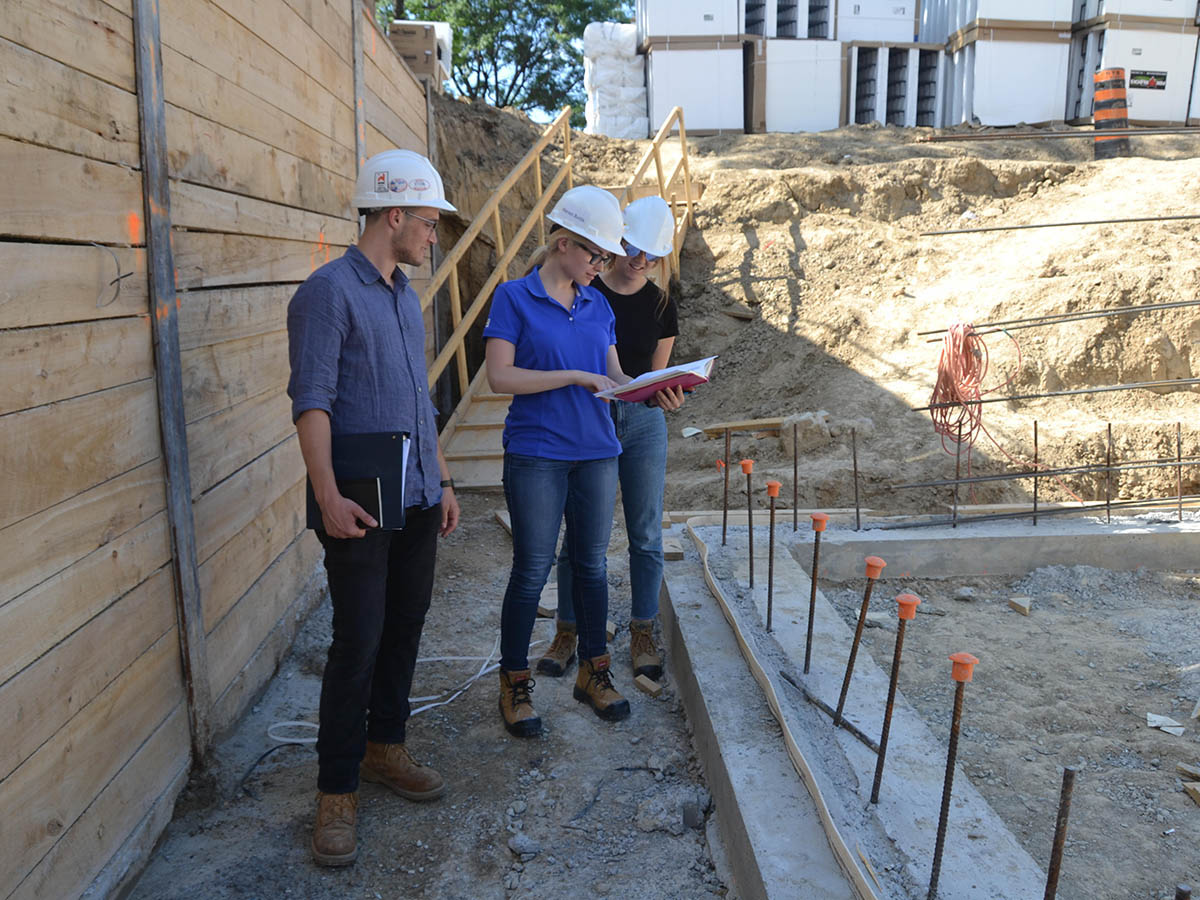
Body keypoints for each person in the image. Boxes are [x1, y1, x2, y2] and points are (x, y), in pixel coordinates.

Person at [287, 149, 461, 867]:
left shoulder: (399, 294)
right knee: (357, 640)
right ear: (394, 215)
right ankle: (335, 790)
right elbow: (313, 400)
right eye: (427, 222)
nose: (432, 235)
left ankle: (386, 747)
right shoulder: (327, 293)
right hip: (357, 504)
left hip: (415, 494)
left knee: (404, 628)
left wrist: (444, 481)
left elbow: (417, 401)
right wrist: (326, 493)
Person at [483, 184, 634, 738]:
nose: (602, 266)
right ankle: (514, 683)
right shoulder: (513, 298)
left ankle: (594, 673)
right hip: (537, 453)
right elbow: (502, 377)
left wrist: (654, 387)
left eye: (606, 258)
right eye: (596, 255)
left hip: (597, 451)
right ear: (564, 244)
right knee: (531, 570)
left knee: (592, 567)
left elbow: (613, 375)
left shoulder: (598, 303)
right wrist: (573, 376)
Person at [537, 196, 684, 684]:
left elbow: (656, 377)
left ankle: (641, 630)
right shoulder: (583, 288)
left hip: (642, 423)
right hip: (589, 418)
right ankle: (568, 630)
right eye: (634, 249)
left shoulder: (662, 304)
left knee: (645, 535)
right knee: (578, 537)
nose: (642, 262)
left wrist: (667, 396)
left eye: (654, 255)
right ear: (616, 241)